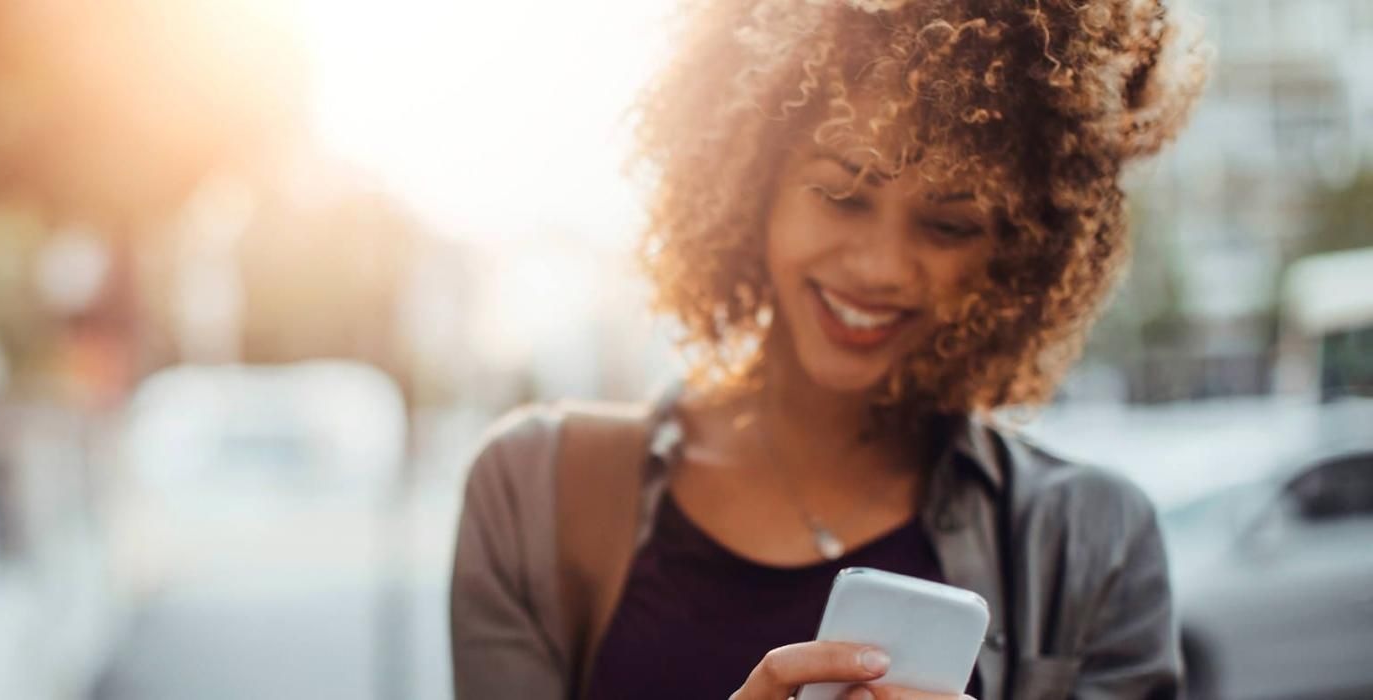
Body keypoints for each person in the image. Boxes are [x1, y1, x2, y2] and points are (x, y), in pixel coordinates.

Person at [450, 0, 1208, 698]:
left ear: (1017, 253)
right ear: (752, 182)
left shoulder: (1095, 544)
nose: (880, 268)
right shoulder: (534, 493)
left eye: (948, 225)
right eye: (843, 194)